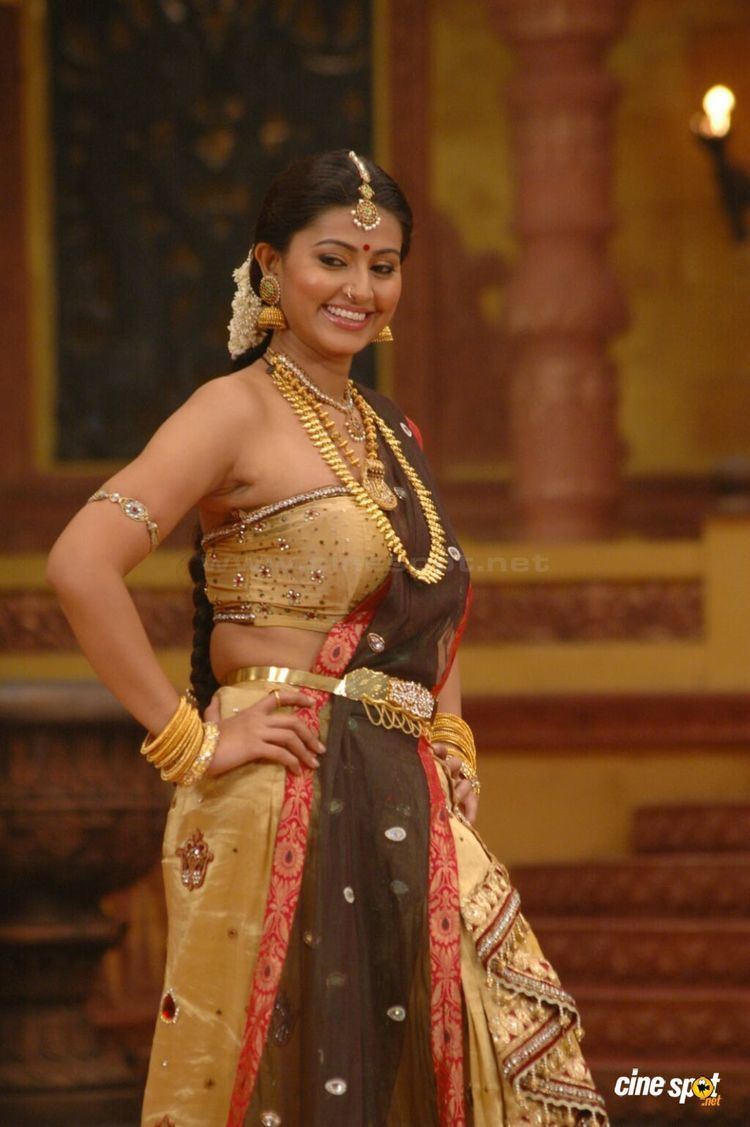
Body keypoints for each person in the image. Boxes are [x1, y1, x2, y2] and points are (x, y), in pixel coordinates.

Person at [47, 150, 610, 1127]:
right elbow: (81, 562)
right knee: (288, 1077)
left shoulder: (395, 431)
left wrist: (450, 737)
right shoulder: (232, 409)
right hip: (280, 789)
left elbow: (427, 602)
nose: (361, 288)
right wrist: (192, 739)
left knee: (470, 1060)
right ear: (270, 265)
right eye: (334, 259)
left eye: (383, 264)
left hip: (404, 786)